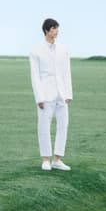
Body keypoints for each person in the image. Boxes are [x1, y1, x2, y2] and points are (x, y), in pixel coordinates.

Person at [29, 18, 73, 171]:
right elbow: (35, 76)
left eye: (57, 28)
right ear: (46, 30)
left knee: (63, 125)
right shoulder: (36, 50)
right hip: (46, 94)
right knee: (43, 126)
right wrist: (39, 97)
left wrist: (68, 94)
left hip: (61, 94)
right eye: (53, 28)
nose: (56, 31)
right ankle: (46, 159)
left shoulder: (63, 49)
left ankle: (57, 159)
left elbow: (66, 72)